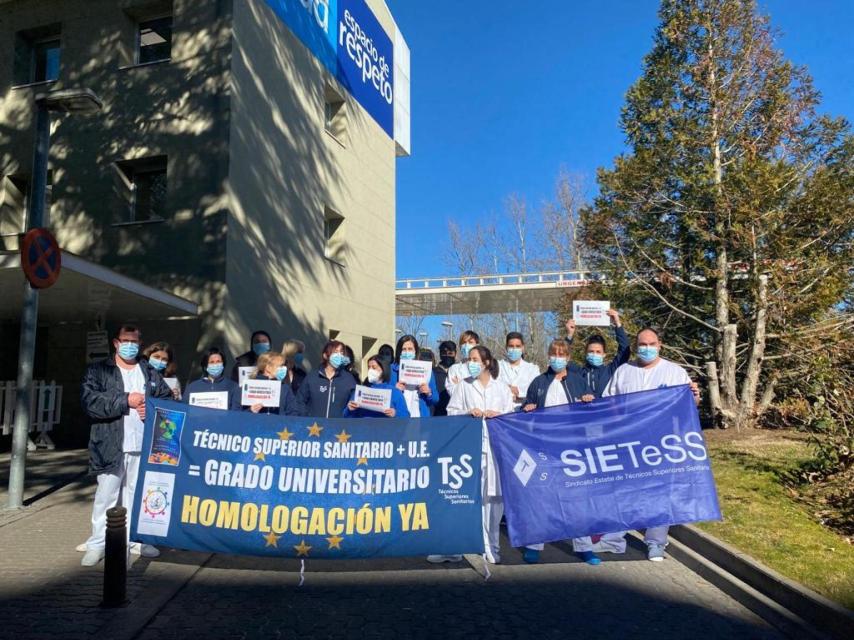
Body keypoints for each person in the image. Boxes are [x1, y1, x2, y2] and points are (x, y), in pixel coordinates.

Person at [602, 327, 702, 562]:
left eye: (651, 344)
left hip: (660, 443)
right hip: (628, 442)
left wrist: (695, 397)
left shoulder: (674, 372)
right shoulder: (624, 371)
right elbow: (609, 402)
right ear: (636, 346)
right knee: (625, 489)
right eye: (642, 344)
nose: (646, 348)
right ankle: (614, 537)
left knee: (659, 491)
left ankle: (656, 542)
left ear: (660, 345)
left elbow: (690, 403)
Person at [79, 325, 172, 566]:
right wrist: (125, 400)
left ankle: (134, 540)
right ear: (116, 343)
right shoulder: (99, 370)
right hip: (110, 444)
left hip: (142, 444)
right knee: (106, 496)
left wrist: (151, 409)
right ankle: (98, 543)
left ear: (140, 344)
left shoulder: (149, 371)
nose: (130, 345)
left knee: (137, 494)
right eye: (125, 341)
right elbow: (90, 402)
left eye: (134, 341)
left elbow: (167, 399)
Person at [431, 346, 514, 565]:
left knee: (493, 500)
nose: (471, 363)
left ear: (486, 363)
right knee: (463, 497)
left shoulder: (501, 388)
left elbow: (511, 418)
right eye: (469, 359)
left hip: (494, 450)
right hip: (470, 449)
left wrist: (499, 415)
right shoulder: (464, 386)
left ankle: (491, 547)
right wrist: (468, 413)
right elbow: (451, 412)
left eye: (475, 359)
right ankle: (455, 547)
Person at [520, 339, 600, 565]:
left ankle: (584, 547)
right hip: (544, 447)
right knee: (541, 498)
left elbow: (592, 413)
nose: (557, 358)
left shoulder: (578, 381)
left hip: (572, 449)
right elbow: (525, 410)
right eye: (554, 354)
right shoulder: (538, 382)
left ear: (568, 357)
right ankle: (534, 544)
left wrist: (589, 401)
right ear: (548, 356)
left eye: (562, 354)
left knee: (577, 499)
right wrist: (527, 409)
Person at [566, 309, 630, 400]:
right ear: (586, 353)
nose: (594, 354)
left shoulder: (611, 370)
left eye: (598, 352)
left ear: (604, 354)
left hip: (607, 409)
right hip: (584, 409)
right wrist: (569, 335)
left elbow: (625, 350)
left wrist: (617, 323)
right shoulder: (579, 372)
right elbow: (563, 357)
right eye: (591, 351)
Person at [295, 340, 357, 418]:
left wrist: (350, 407)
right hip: (313, 425)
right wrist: (307, 419)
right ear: (325, 355)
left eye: (341, 353)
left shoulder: (348, 379)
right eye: (336, 352)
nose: (339, 355)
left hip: (338, 425)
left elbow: (355, 400)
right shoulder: (312, 377)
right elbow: (299, 401)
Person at [344, 356, 409, 418]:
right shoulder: (360, 391)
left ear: (383, 369)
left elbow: (406, 417)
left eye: (374, 367)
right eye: (369, 367)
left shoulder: (395, 392)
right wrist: (349, 409)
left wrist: (395, 414)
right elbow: (347, 416)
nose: (370, 370)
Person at [390, 334, 438, 418]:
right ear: (399, 351)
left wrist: (428, 393)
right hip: (399, 418)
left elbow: (435, 399)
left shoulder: (426, 370)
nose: (407, 352)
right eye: (404, 349)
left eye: (410, 349)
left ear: (415, 351)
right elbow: (385, 398)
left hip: (420, 419)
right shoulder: (391, 370)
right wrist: (395, 390)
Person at [498, 332, 541, 410]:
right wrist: (507, 388)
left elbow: (536, 391)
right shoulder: (497, 366)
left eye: (518, 346)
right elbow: (493, 386)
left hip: (525, 412)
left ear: (523, 348)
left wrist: (519, 393)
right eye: (511, 346)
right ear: (506, 347)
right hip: (502, 412)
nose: (514, 349)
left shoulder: (532, 369)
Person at [445, 330, 479, 397]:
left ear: (477, 345)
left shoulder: (483, 366)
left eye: (470, 342)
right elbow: (452, 392)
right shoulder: (454, 369)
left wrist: (460, 385)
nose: (466, 345)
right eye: (464, 343)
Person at [432, 340, 456, 417]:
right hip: (438, 414)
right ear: (440, 354)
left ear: (455, 353)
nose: (447, 355)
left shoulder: (459, 371)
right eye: (444, 353)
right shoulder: (433, 372)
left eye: (450, 353)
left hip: (456, 414)